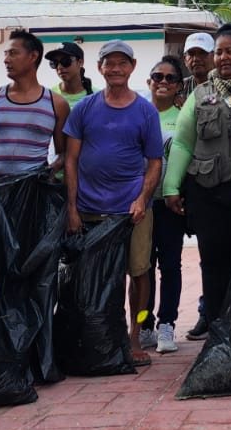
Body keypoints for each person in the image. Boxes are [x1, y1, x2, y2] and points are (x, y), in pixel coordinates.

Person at [62, 40, 164, 367]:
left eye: (122, 63)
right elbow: (70, 160)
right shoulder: (84, 109)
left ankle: (136, 334)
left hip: (132, 211)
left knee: (140, 273)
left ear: (132, 68)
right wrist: (72, 209)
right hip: (89, 209)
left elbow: (155, 162)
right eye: (110, 63)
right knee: (95, 277)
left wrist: (142, 199)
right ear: (99, 68)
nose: (116, 68)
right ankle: (100, 336)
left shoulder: (145, 111)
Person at [163, 24, 231, 341]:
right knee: (213, 264)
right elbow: (183, 143)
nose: (223, 57)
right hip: (208, 193)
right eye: (219, 52)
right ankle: (217, 331)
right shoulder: (200, 94)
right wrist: (171, 187)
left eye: (230, 51)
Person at [142, 55, 187, 354]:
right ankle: (143, 324)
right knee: (141, 267)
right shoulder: (137, 112)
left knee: (170, 266)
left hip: (170, 204)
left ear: (179, 86)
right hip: (141, 204)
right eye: (158, 76)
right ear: (149, 81)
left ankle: (167, 324)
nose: (163, 82)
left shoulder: (184, 116)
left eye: (170, 78)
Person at [0, 30, 69, 177]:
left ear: (33, 56)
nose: (6, 60)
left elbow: (64, 153)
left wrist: (46, 173)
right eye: (5, 54)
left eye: (13, 53)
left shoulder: (57, 104)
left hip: (34, 189)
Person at [45, 41, 93, 107]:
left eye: (65, 61)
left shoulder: (98, 97)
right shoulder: (48, 97)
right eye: (54, 63)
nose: (59, 67)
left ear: (80, 62)